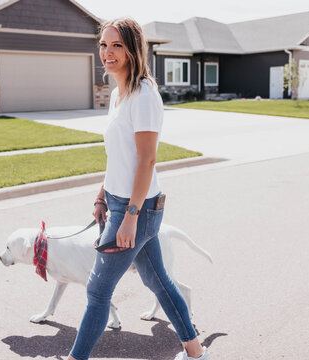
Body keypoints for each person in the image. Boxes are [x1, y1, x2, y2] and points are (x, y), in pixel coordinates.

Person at [67, 18, 209, 360]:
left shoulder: (144, 94)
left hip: (138, 208)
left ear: (133, 49)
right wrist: (102, 194)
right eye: (103, 45)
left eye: (116, 45)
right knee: (158, 281)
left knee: (98, 290)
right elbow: (119, 157)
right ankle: (196, 352)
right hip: (120, 202)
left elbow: (147, 161)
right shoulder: (118, 93)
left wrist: (129, 215)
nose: (107, 52)